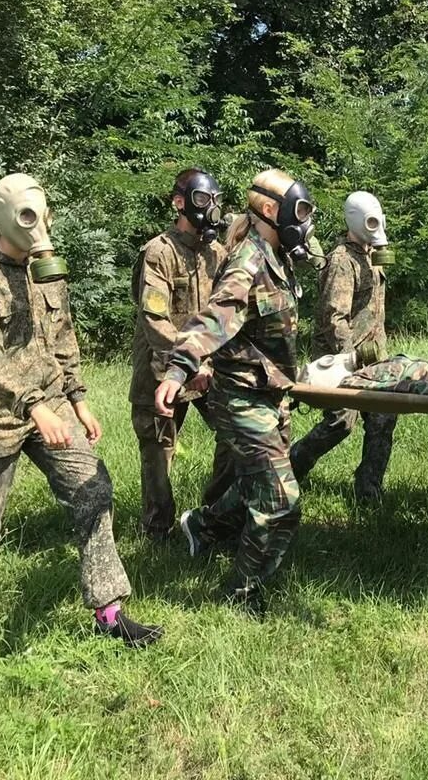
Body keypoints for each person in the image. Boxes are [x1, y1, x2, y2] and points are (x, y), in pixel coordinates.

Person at [0, 174, 161, 649]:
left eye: (41, 213)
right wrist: (34, 405)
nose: (36, 225)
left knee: (94, 492)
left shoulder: (47, 270)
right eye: (26, 216)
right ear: (3, 217)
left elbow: (62, 339)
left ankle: (108, 611)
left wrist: (78, 401)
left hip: (52, 405)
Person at [156, 168, 312, 615]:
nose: (304, 222)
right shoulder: (248, 261)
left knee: (252, 485)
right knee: (280, 500)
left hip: (270, 396)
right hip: (241, 397)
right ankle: (241, 595)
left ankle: (201, 527)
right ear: (269, 210)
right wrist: (178, 369)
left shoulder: (277, 258)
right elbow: (213, 318)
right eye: (299, 211)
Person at [130, 169, 228, 542]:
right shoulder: (159, 252)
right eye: (202, 201)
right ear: (179, 203)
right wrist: (190, 363)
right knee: (158, 450)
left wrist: (211, 363)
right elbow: (154, 318)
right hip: (161, 370)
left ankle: (213, 516)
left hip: (208, 370)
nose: (210, 210)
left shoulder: (217, 254)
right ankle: (158, 532)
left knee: (236, 433)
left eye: (215, 202)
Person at [290, 191, 396, 500]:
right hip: (344, 357)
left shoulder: (369, 254)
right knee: (340, 423)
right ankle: (293, 465)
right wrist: (349, 360)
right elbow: (334, 316)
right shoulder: (341, 260)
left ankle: (368, 489)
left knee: (383, 419)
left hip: (374, 356)